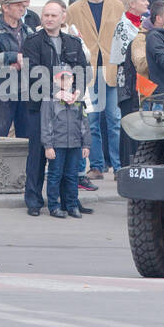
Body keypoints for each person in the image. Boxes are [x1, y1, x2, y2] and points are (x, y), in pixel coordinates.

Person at [21, 0, 89, 216]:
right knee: (38, 155)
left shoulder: (73, 43)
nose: (49, 18)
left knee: (67, 156)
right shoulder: (32, 42)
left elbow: (83, 71)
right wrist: (54, 92)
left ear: (63, 18)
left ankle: (67, 202)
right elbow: (31, 74)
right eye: (45, 15)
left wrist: (76, 91)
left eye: (53, 15)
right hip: (39, 106)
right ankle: (33, 200)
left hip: (69, 109)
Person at [67, 0, 123, 180]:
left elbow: (122, 36)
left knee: (113, 119)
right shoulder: (74, 9)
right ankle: (97, 166)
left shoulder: (116, 7)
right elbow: (70, 37)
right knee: (91, 121)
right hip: (88, 71)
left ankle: (118, 167)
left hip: (110, 68)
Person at [0, 0, 36, 137]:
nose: (22, 9)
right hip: (2, 92)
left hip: (25, 90)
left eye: (23, 5)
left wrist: (23, 62)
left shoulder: (28, 30)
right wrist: (13, 57)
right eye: (18, 5)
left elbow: (35, 56)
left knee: (26, 137)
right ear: (5, 8)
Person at [42, 70, 91, 218]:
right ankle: (54, 206)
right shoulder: (49, 100)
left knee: (72, 176)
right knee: (55, 175)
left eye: (68, 79)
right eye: (61, 79)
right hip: (57, 144)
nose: (65, 82)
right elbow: (46, 124)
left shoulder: (78, 100)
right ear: (55, 81)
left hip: (75, 145)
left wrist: (86, 144)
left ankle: (71, 205)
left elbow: (84, 124)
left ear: (72, 80)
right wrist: (48, 145)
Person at [110, 0, 149, 170]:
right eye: (144, 0)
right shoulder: (123, 26)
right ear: (132, 4)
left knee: (142, 119)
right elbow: (124, 57)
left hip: (143, 80)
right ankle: (125, 166)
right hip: (129, 81)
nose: (147, 2)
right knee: (129, 122)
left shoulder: (142, 22)